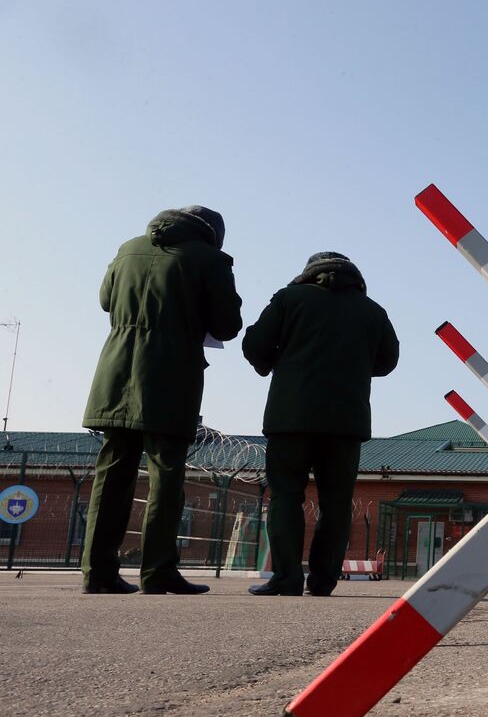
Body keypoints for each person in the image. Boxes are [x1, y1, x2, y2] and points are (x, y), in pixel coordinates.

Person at [81, 206, 242, 594]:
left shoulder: (128, 249)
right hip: (170, 373)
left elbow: (106, 300)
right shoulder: (210, 260)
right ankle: (158, 571)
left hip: (115, 369)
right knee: (166, 473)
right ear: (213, 234)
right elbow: (228, 325)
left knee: (111, 473)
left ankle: (96, 573)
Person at [242, 252, 398, 596]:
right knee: (337, 502)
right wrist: (353, 365)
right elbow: (388, 361)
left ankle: (286, 578)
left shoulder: (289, 298)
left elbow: (254, 344)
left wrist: (276, 360)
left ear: (309, 273)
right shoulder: (372, 310)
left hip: (290, 418)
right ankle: (323, 580)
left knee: (285, 495)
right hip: (345, 421)